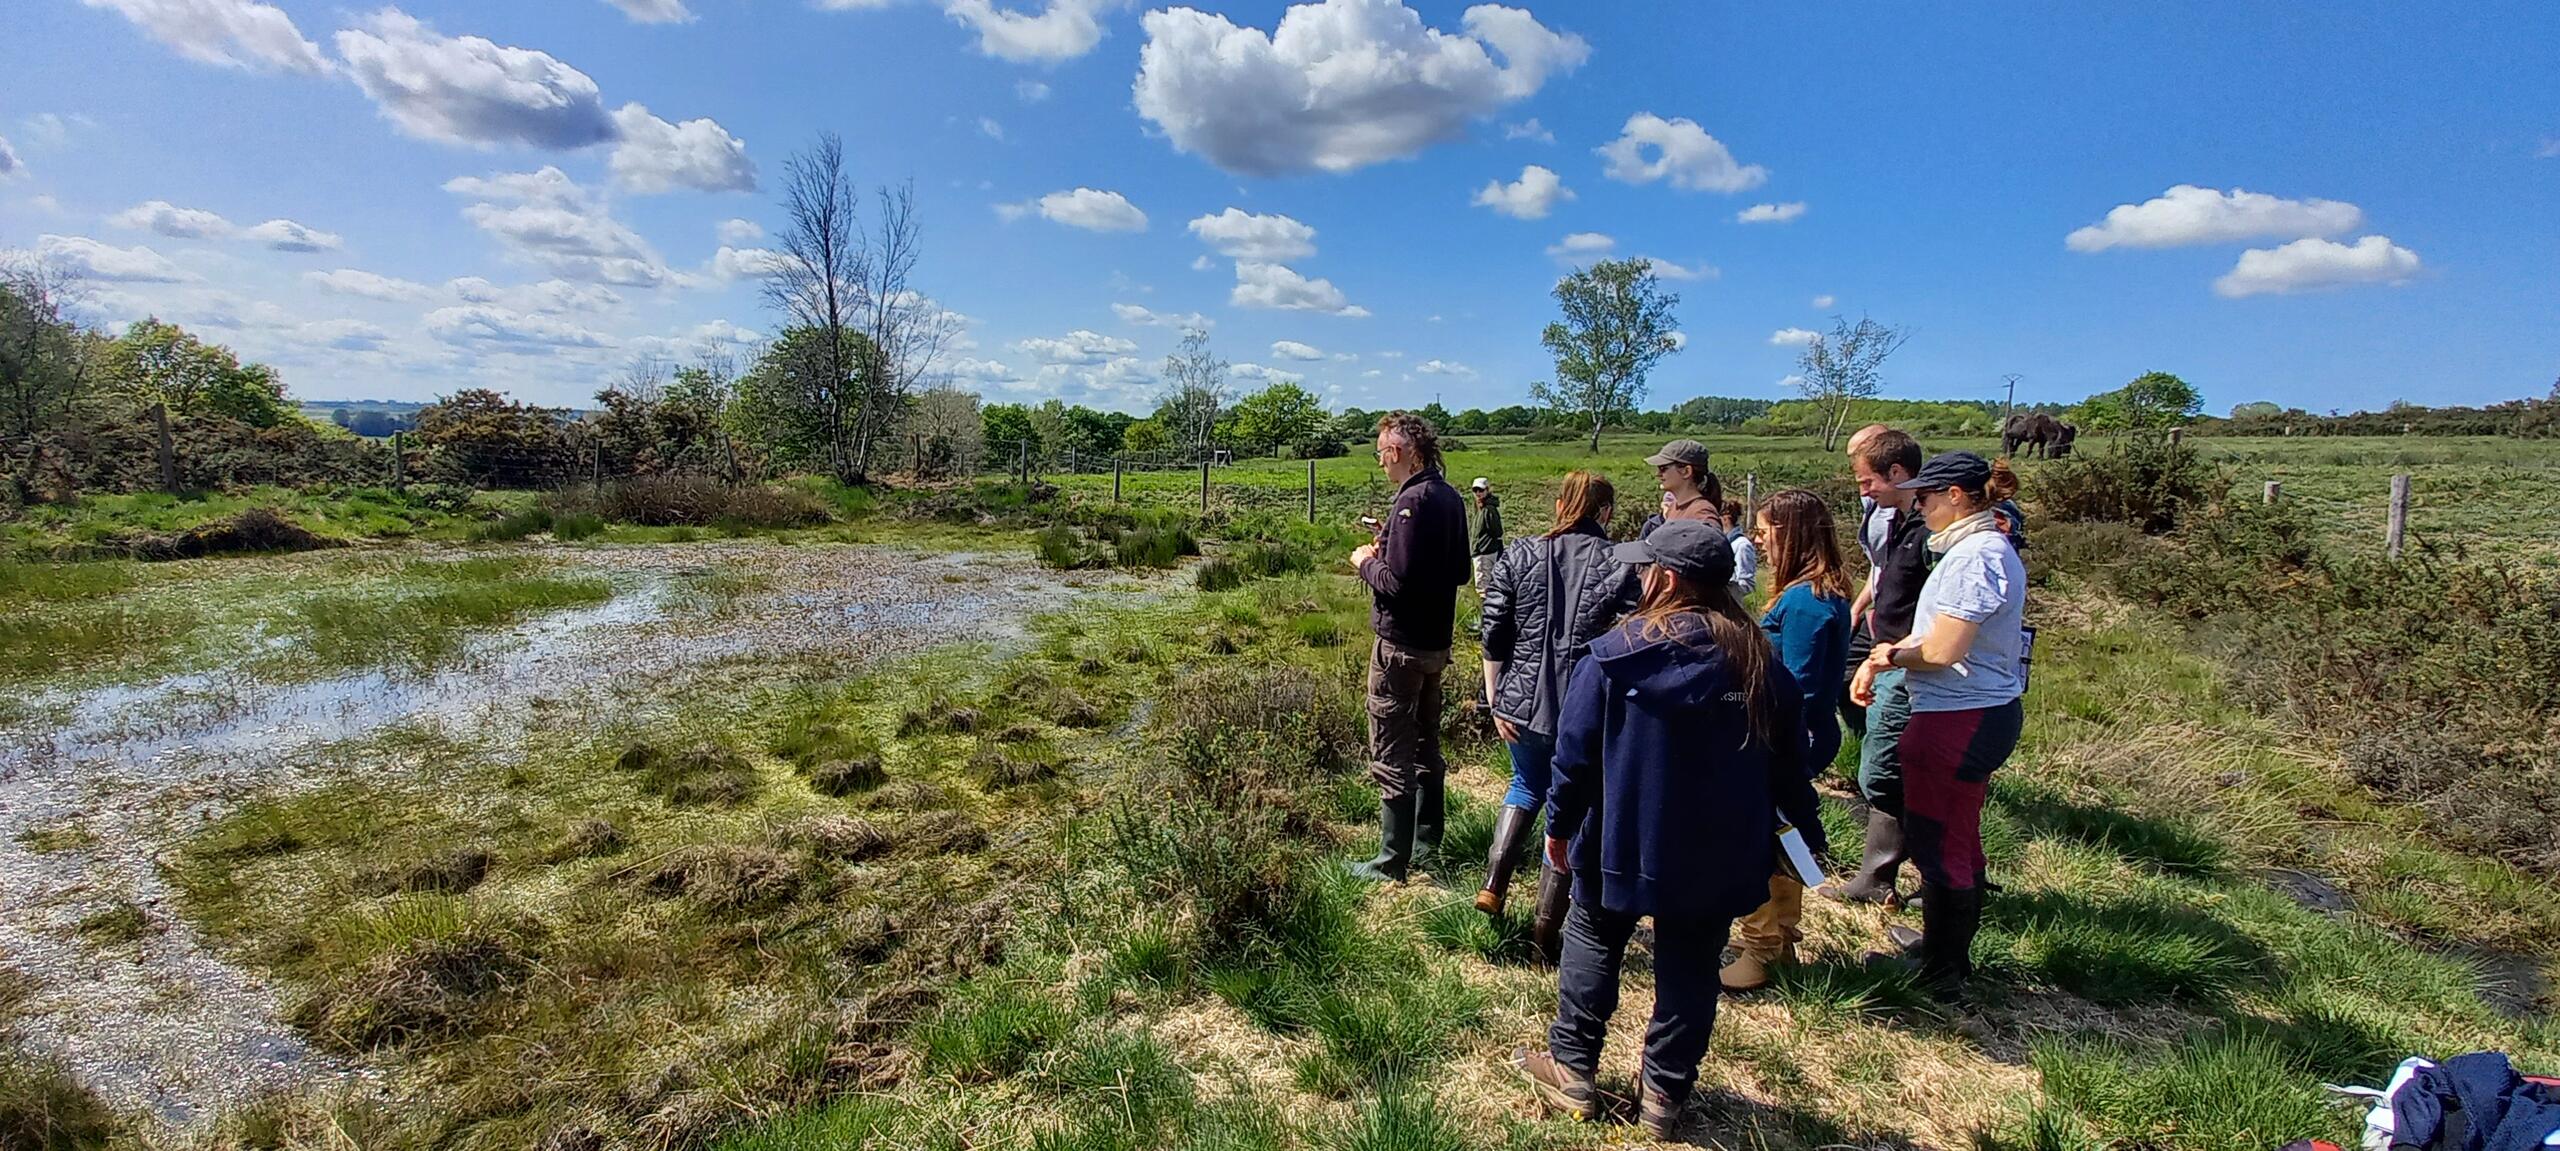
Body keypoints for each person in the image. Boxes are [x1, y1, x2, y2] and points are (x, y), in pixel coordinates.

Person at [1511, 521, 1827, 1140]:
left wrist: (1560, 826)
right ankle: (1664, 1094)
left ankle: (1573, 1067)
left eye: (1646, 566)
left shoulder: (1615, 655)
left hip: (1620, 837)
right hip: (1720, 846)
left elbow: (1574, 756)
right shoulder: (1759, 662)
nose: (1638, 574)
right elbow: (1792, 762)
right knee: (1693, 961)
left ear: (1668, 579)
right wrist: (1805, 833)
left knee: (1594, 936)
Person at [1849, 451, 2027, 999]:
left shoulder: (1976, 556)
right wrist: (1883, 658)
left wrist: (1890, 657)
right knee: (1956, 833)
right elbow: (1936, 631)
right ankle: (1941, 951)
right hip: (1966, 711)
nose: (1919, 505)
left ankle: (1941, 975)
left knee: (1940, 839)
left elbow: (1945, 649)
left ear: (1955, 495)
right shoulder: (1970, 549)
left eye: (1926, 496)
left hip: (1959, 715)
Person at [1474, 471, 1643, 960]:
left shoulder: (1520, 552)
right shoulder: (1623, 560)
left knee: (1525, 785)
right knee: (1574, 810)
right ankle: (1544, 936)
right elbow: (1632, 636)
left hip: (1522, 703)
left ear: (1558, 505)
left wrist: (1496, 697)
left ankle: (1493, 884)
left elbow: (1493, 629)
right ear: (1605, 512)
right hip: (1587, 708)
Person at [1720, 489, 1854, 991]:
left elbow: (1796, 685)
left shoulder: (1804, 604)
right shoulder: (1821, 593)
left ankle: (1760, 946)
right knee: (1782, 834)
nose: (1758, 540)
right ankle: (1781, 937)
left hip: (1781, 736)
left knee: (1753, 837)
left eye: (1765, 531)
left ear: (1792, 533)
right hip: (1798, 734)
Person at [1346, 412, 1472, 883]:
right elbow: (1459, 571)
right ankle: (1426, 846)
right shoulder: (1448, 496)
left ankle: (1390, 860)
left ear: (1397, 452)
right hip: (1436, 644)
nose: (1380, 462)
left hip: (1400, 645)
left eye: (1381, 453)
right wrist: (1395, 546)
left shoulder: (1412, 500)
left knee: (1391, 744)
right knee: (1426, 743)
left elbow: (1396, 585)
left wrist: (1365, 562)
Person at [1819, 427, 1929, 907]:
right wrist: (1860, 611)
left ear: (1897, 472)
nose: (1862, 490)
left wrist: (1894, 654)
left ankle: (1899, 875)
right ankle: (1890, 876)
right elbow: (1881, 577)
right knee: (1890, 767)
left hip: (1907, 659)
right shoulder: (1898, 520)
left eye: (1868, 481)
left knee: (1884, 771)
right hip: (1887, 647)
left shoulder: (1929, 531)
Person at [1639, 439, 1722, 536]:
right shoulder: (1674, 508)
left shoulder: (1701, 513)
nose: (1658, 474)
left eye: (1663, 469)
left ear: (1686, 471)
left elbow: (1713, 542)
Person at [1718, 497, 1758, 602]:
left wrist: (1725, 588)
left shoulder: (1742, 545)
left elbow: (1747, 584)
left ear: (1725, 519)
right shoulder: (1723, 543)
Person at [1469, 477, 1503, 588]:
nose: (1478, 493)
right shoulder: (1482, 508)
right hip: (1483, 552)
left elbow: (1497, 531)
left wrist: (1483, 546)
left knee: (1483, 587)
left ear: (1487, 490)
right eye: (1475, 490)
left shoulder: (1488, 509)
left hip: (1484, 553)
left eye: (1481, 490)